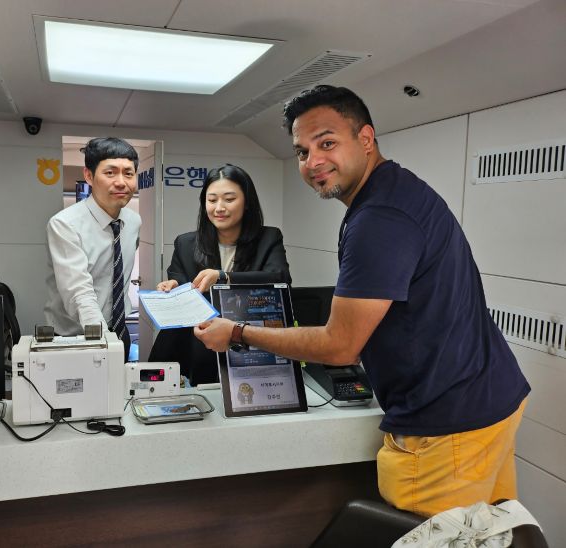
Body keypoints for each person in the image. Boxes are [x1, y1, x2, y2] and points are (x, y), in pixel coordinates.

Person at [194, 85, 530, 517]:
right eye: (302, 151)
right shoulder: (398, 190)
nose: (313, 162)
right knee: (487, 536)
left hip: (446, 428)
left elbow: (340, 346)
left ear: (366, 139)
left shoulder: (379, 219)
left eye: (327, 143)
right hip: (491, 402)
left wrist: (238, 332)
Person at [149, 164, 291, 385]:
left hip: (249, 346)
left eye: (229, 199)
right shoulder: (186, 243)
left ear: (247, 203)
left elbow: (279, 279)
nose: (219, 208)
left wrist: (223, 277)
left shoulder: (269, 238)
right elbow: (179, 282)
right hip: (196, 347)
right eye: (212, 200)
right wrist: (173, 287)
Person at [44, 137, 140, 361]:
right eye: (110, 173)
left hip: (119, 331)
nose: (121, 182)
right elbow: (79, 293)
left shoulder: (134, 221)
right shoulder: (65, 224)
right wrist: (106, 344)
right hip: (75, 339)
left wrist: (115, 341)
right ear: (89, 176)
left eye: (128, 173)